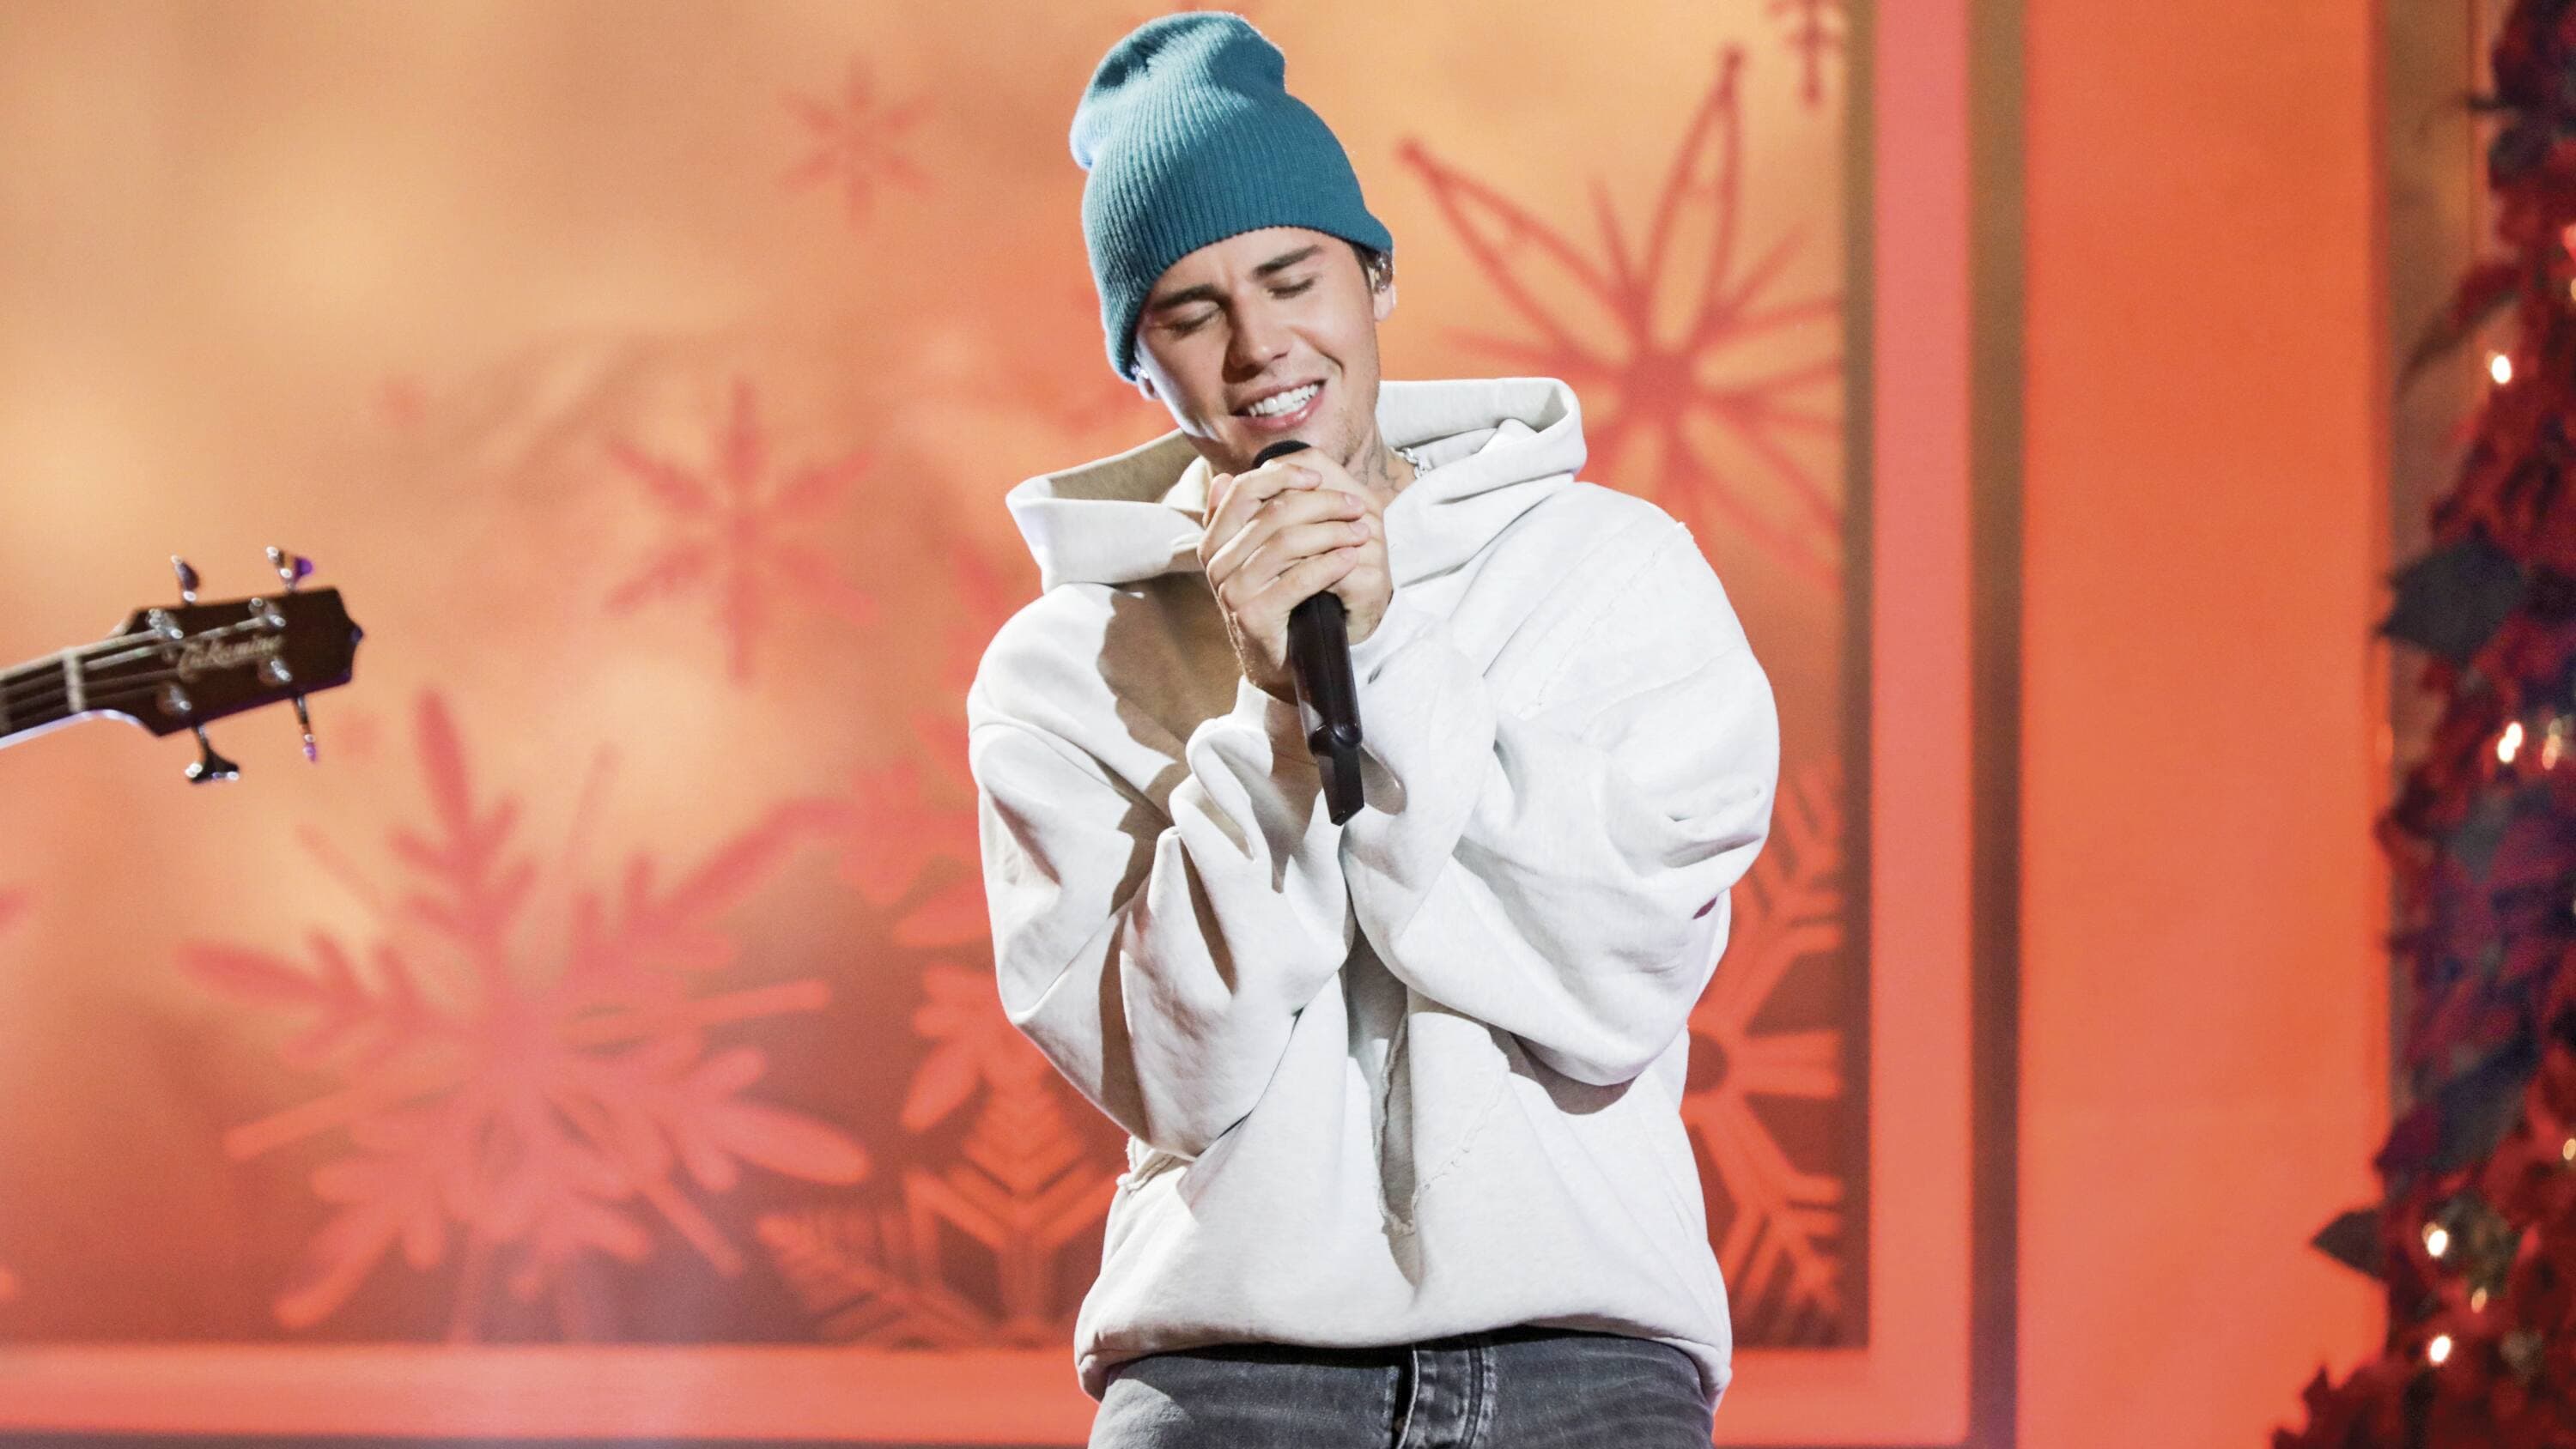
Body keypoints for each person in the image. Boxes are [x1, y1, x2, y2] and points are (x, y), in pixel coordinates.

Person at [966, 13, 1780, 1446]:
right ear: (1139, 364)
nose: (1261, 344)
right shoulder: (1063, 669)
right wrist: (1271, 714)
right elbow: (1174, 1072)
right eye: (1190, 313)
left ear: (1378, 276)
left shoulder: (1613, 572)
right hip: (1229, 1383)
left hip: (1585, 1373)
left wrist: (1386, 655)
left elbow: (1617, 980)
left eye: (1294, 278)